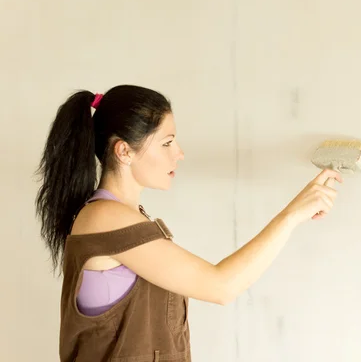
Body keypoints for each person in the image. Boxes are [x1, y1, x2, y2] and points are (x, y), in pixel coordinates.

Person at [34, 84, 342, 361]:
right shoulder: (106, 219)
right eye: (166, 143)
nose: (179, 153)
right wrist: (291, 215)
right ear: (124, 151)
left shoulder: (121, 217)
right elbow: (220, 286)